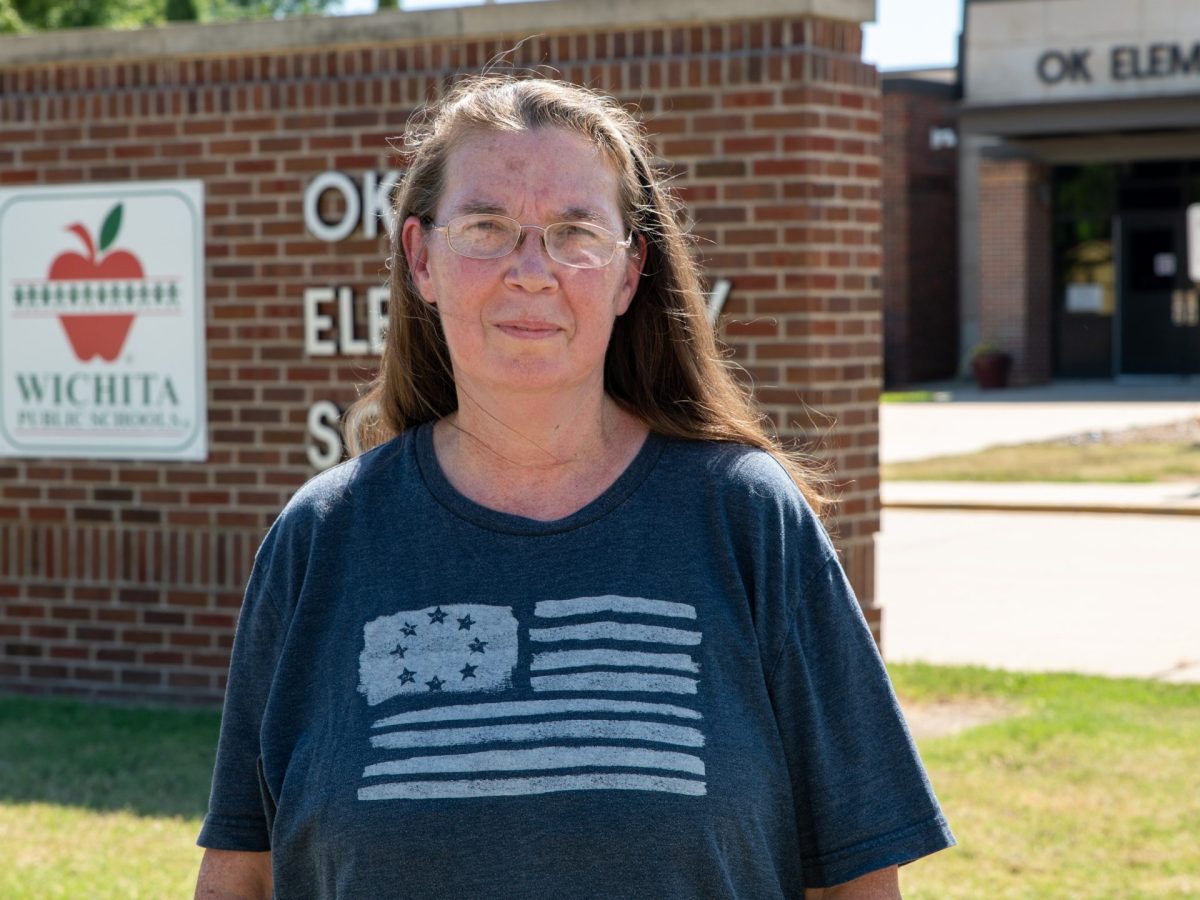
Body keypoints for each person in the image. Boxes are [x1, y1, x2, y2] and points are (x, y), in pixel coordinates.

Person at [195, 75, 954, 899]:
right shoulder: (323, 538)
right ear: (422, 259)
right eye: (486, 227)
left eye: (574, 232)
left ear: (630, 273)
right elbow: (241, 878)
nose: (531, 270)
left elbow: (858, 881)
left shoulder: (745, 519)